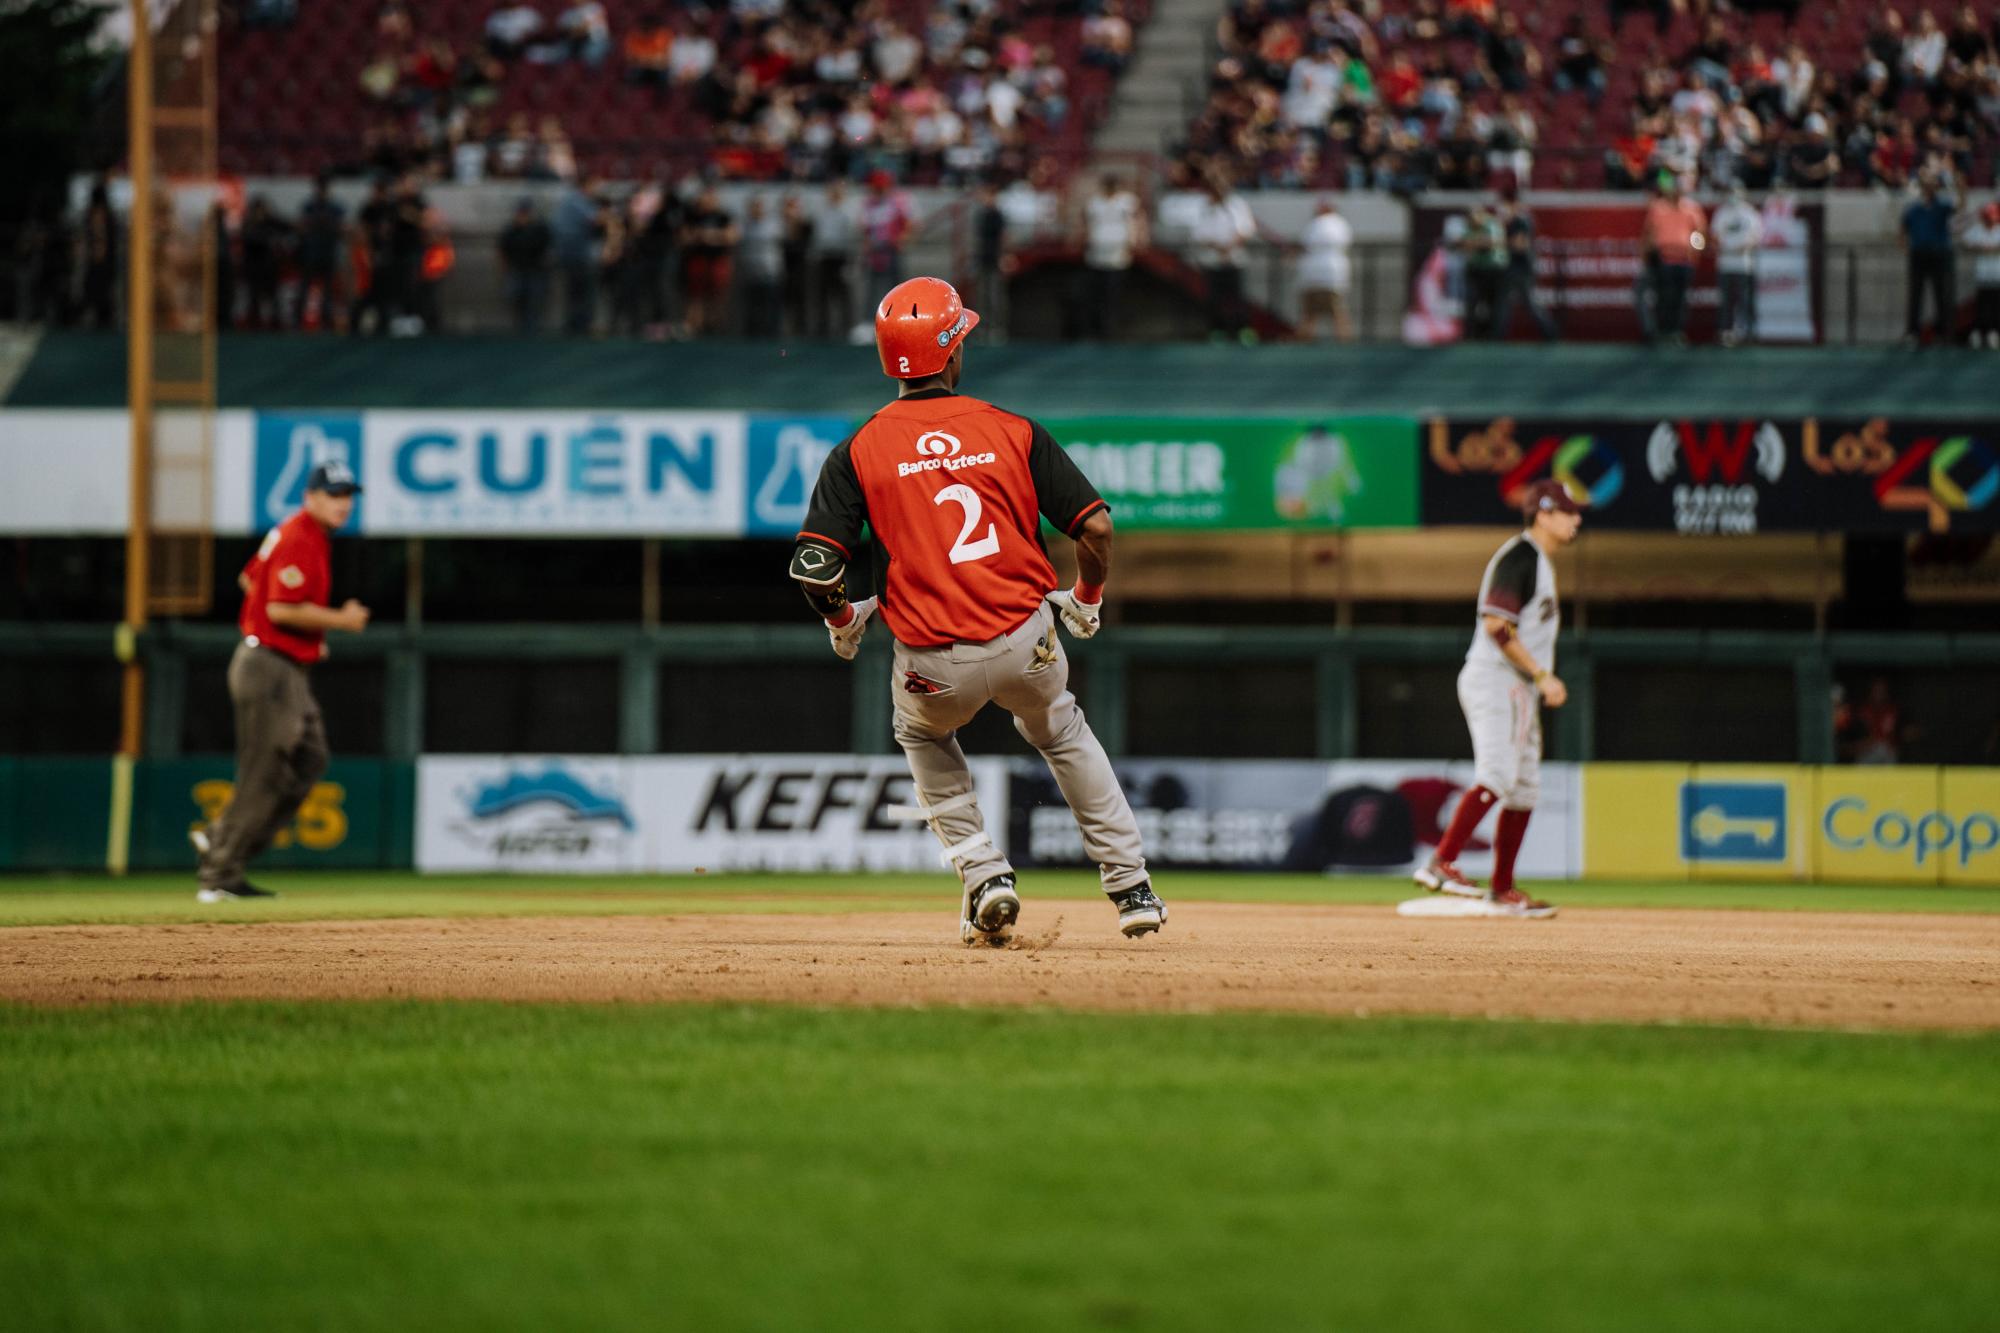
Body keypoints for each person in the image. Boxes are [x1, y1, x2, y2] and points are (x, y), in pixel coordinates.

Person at [789, 276, 1164, 943]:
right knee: (1062, 730)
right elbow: (1097, 529)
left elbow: (816, 566)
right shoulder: (1011, 429)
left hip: (933, 662)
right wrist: (1086, 598)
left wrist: (843, 620)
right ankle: (1131, 885)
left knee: (923, 736)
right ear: (953, 352)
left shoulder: (858, 449)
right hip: (1028, 639)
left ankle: (984, 871)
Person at [191, 462, 369, 903]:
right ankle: (219, 872)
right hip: (267, 666)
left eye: (347, 494)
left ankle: (222, 840)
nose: (343, 503)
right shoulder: (300, 535)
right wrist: (341, 621)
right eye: (333, 494)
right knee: (264, 770)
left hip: (285, 666)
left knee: (310, 759)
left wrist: (311, 637)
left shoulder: (301, 535)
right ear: (310, 497)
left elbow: (250, 577)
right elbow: (280, 609)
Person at [1411, 479, 1582, 919]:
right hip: (1496, 678)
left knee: (1524, 788)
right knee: (1499, 774)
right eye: (1567, 511)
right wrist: (1543, 675)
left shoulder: (1540, 561)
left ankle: (1502, 889)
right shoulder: (1520, 555)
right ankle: (1441, 862)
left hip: (1516, 685)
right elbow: (1495, 626)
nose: (1575, 518)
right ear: (1543, 513)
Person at [1191, 172, 1256, 341]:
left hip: (1234, 260)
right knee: (1213, 298)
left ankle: (1242, 330)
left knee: (1238, 297)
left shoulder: (1237, 205)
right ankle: (1217, 330)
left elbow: (1246, 230)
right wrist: (1218, 247)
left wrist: (1229, 247)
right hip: (1212, 261)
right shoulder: (1204, 207)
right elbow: (1200, 234)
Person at [1079, 172, 1144, 340]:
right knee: (1095, 294)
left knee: (1112, 295)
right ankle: (1094, 330)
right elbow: (1085, 222)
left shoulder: (1127, 201)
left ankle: (1109, 331)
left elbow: (1138, 219)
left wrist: (1137, 240)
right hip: (1097, 253)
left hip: (1118, 254)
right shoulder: (1094, 203)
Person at [1642, 171, 1705, 343]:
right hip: (1663, 258)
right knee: (1663, 297)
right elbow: (1649, 233)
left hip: (1684, 259)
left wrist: (1695, 252)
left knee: (1681, 298)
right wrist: (1647, 256)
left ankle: (1677, 331)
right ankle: (1663, 331)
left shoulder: (1691, 208)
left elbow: (1698, 233)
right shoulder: (1658, 208)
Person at [1902, 173, 1959, 345]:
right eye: (1927, 185)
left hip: (1939, 254)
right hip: (1918, 254)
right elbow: (1903, 229)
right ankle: (1913, 332)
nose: (1930, 188)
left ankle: (1942, 332)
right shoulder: (1914, 208)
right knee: (1915, 294)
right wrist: (1906, 248)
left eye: (1933, 185)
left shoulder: (1942, 205)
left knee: (1942, 293)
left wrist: (1962, 188)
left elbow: (1959, 207)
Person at [1492, 197, 1557, 340]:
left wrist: (1494, 241)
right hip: (1513, 268)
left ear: (1514, 205)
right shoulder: (1511, 222)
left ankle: (1550, 333)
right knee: (1504, 304)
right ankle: (1497, 336)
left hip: (1521, 269)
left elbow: (1521, 245)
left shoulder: (1522, 221)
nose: (1503, 210)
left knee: (1528, 305)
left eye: (1506, 206)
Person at [678, 187, 738, 338]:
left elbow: (732, 236)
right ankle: (695, 327)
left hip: (718, 260)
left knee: (717, 295)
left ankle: (716, 327)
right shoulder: (692, 216)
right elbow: (683, 237)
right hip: (697, 260)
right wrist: (701, 236)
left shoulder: (723, 216)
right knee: (695, 295)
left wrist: (711, 236)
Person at [1710, 184, 1763, 346]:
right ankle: (1725, 332)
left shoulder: (1750, 213)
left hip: (1744, 265)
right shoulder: (1721, 213)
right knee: (1725, 301)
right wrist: (1725, 247)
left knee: (1745, 300)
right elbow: (1714, 235)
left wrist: (1742, 247)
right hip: (1725, 264)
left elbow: (1756, 237)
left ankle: (1748, 332)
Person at [1297, 197, 1355, 342]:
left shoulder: (1315, 224)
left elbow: (1305, 245)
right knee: (1336, 314)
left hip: (1314, 275)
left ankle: (1304, 346)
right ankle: (1345, 347)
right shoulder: (1341, 224)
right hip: (1333, 275)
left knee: (1311, 315)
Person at [812, 179, 859, 337]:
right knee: (823, 295)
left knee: (843, 296)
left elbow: (852, 237)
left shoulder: (848, 212)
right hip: (825, 257)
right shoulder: (822, 212)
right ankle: (823, 329)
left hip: (841, 257)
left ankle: (846, 329)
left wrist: (850, 262)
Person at [499, 197, 553, 333]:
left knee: (535, 299)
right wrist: (504, 266)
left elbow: (548, 247)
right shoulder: (511, 229)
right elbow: (502, 249)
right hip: (517, 269)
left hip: (536, 269)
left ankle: (533, 326)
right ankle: (521, 325)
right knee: (516, 297)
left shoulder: (540, 228)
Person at [1965, 199, 2000, 349]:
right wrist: (1980, 248)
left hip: (1997, 276)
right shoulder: (1977, 230)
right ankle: (1979, 333)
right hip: (1983, 276)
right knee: (1982, 307)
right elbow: (1966, 242)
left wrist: (1993, 249)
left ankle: (1994, 333)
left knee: (1996, 306)